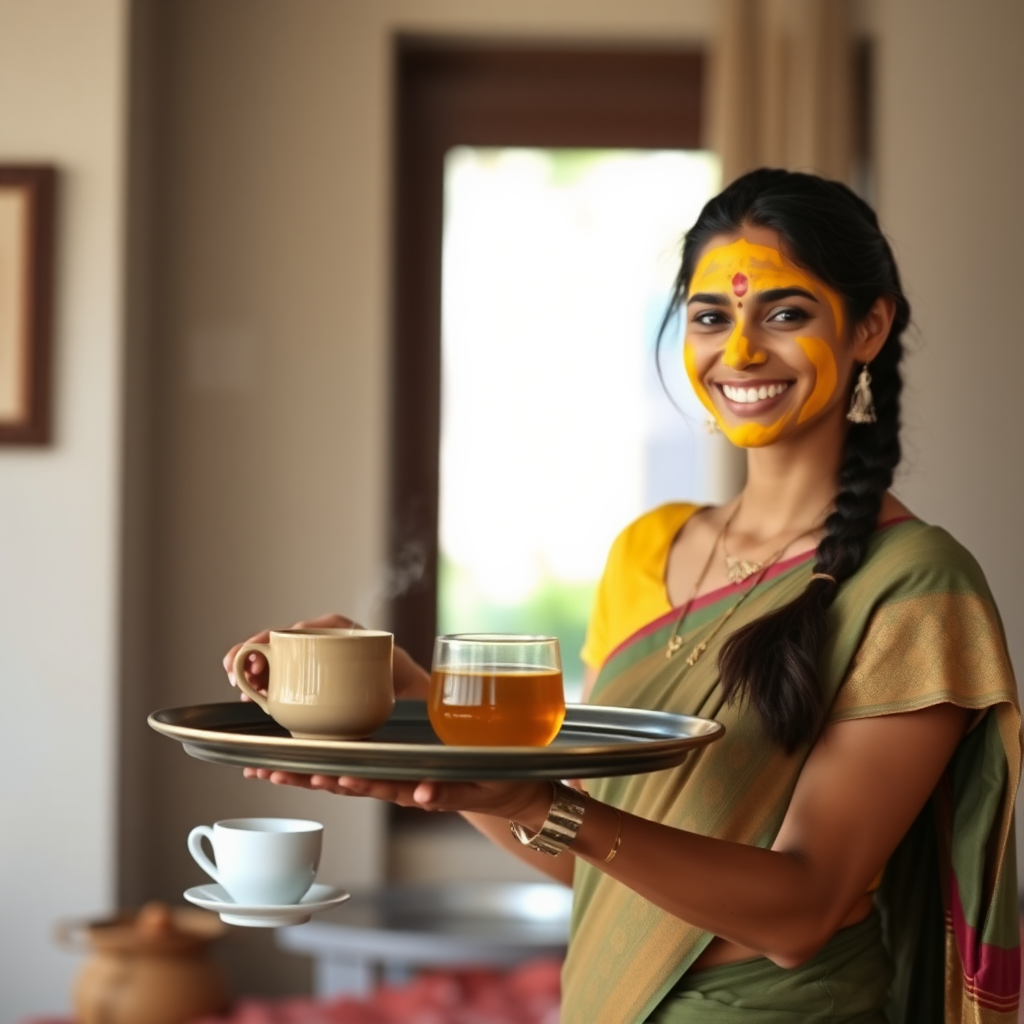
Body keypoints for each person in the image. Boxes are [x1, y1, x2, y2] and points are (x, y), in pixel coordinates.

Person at [224, 169, 1021, 1023]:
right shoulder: (650, 550)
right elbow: (593, 853)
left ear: (869, 326)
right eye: (712, 316)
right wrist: (415, 705)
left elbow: (802, 911)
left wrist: (542, 802)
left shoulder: (916, 587)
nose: (741, 351)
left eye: (785, 314)